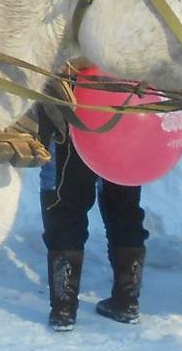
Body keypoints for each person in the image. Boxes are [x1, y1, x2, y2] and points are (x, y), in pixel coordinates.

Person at [40, 124, 148, 328]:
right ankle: (127, 300)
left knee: (65, 208)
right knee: (125, 207)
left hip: (71, 119)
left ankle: (64, 308)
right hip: (126, 121)